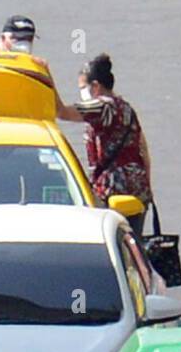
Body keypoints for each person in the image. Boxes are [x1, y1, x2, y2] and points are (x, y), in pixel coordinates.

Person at [53, 53, 152, 235]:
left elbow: (62, 112)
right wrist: (147, 188)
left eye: (83, 88)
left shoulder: (102, 107)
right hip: (137, 190)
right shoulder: (126, 107)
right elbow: (143, 150)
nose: (82, 94)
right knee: (132, 244)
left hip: (112, 191)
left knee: (110, 241)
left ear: (96, 87)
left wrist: (44, 78)